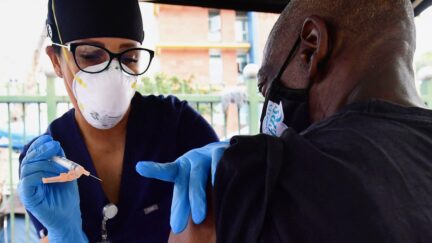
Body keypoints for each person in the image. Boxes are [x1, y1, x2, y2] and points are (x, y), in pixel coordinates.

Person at [137, 0, 432, 242]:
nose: (269, 108)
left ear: (310, 48)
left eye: (267, 86)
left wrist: (236, 176)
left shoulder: (251, 184)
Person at [17, 0, 218, 242]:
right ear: (56, 61)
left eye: (130, 57)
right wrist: (65, 236)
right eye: (91, 56)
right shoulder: (44, 164)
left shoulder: (180, 127)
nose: (113, 74)